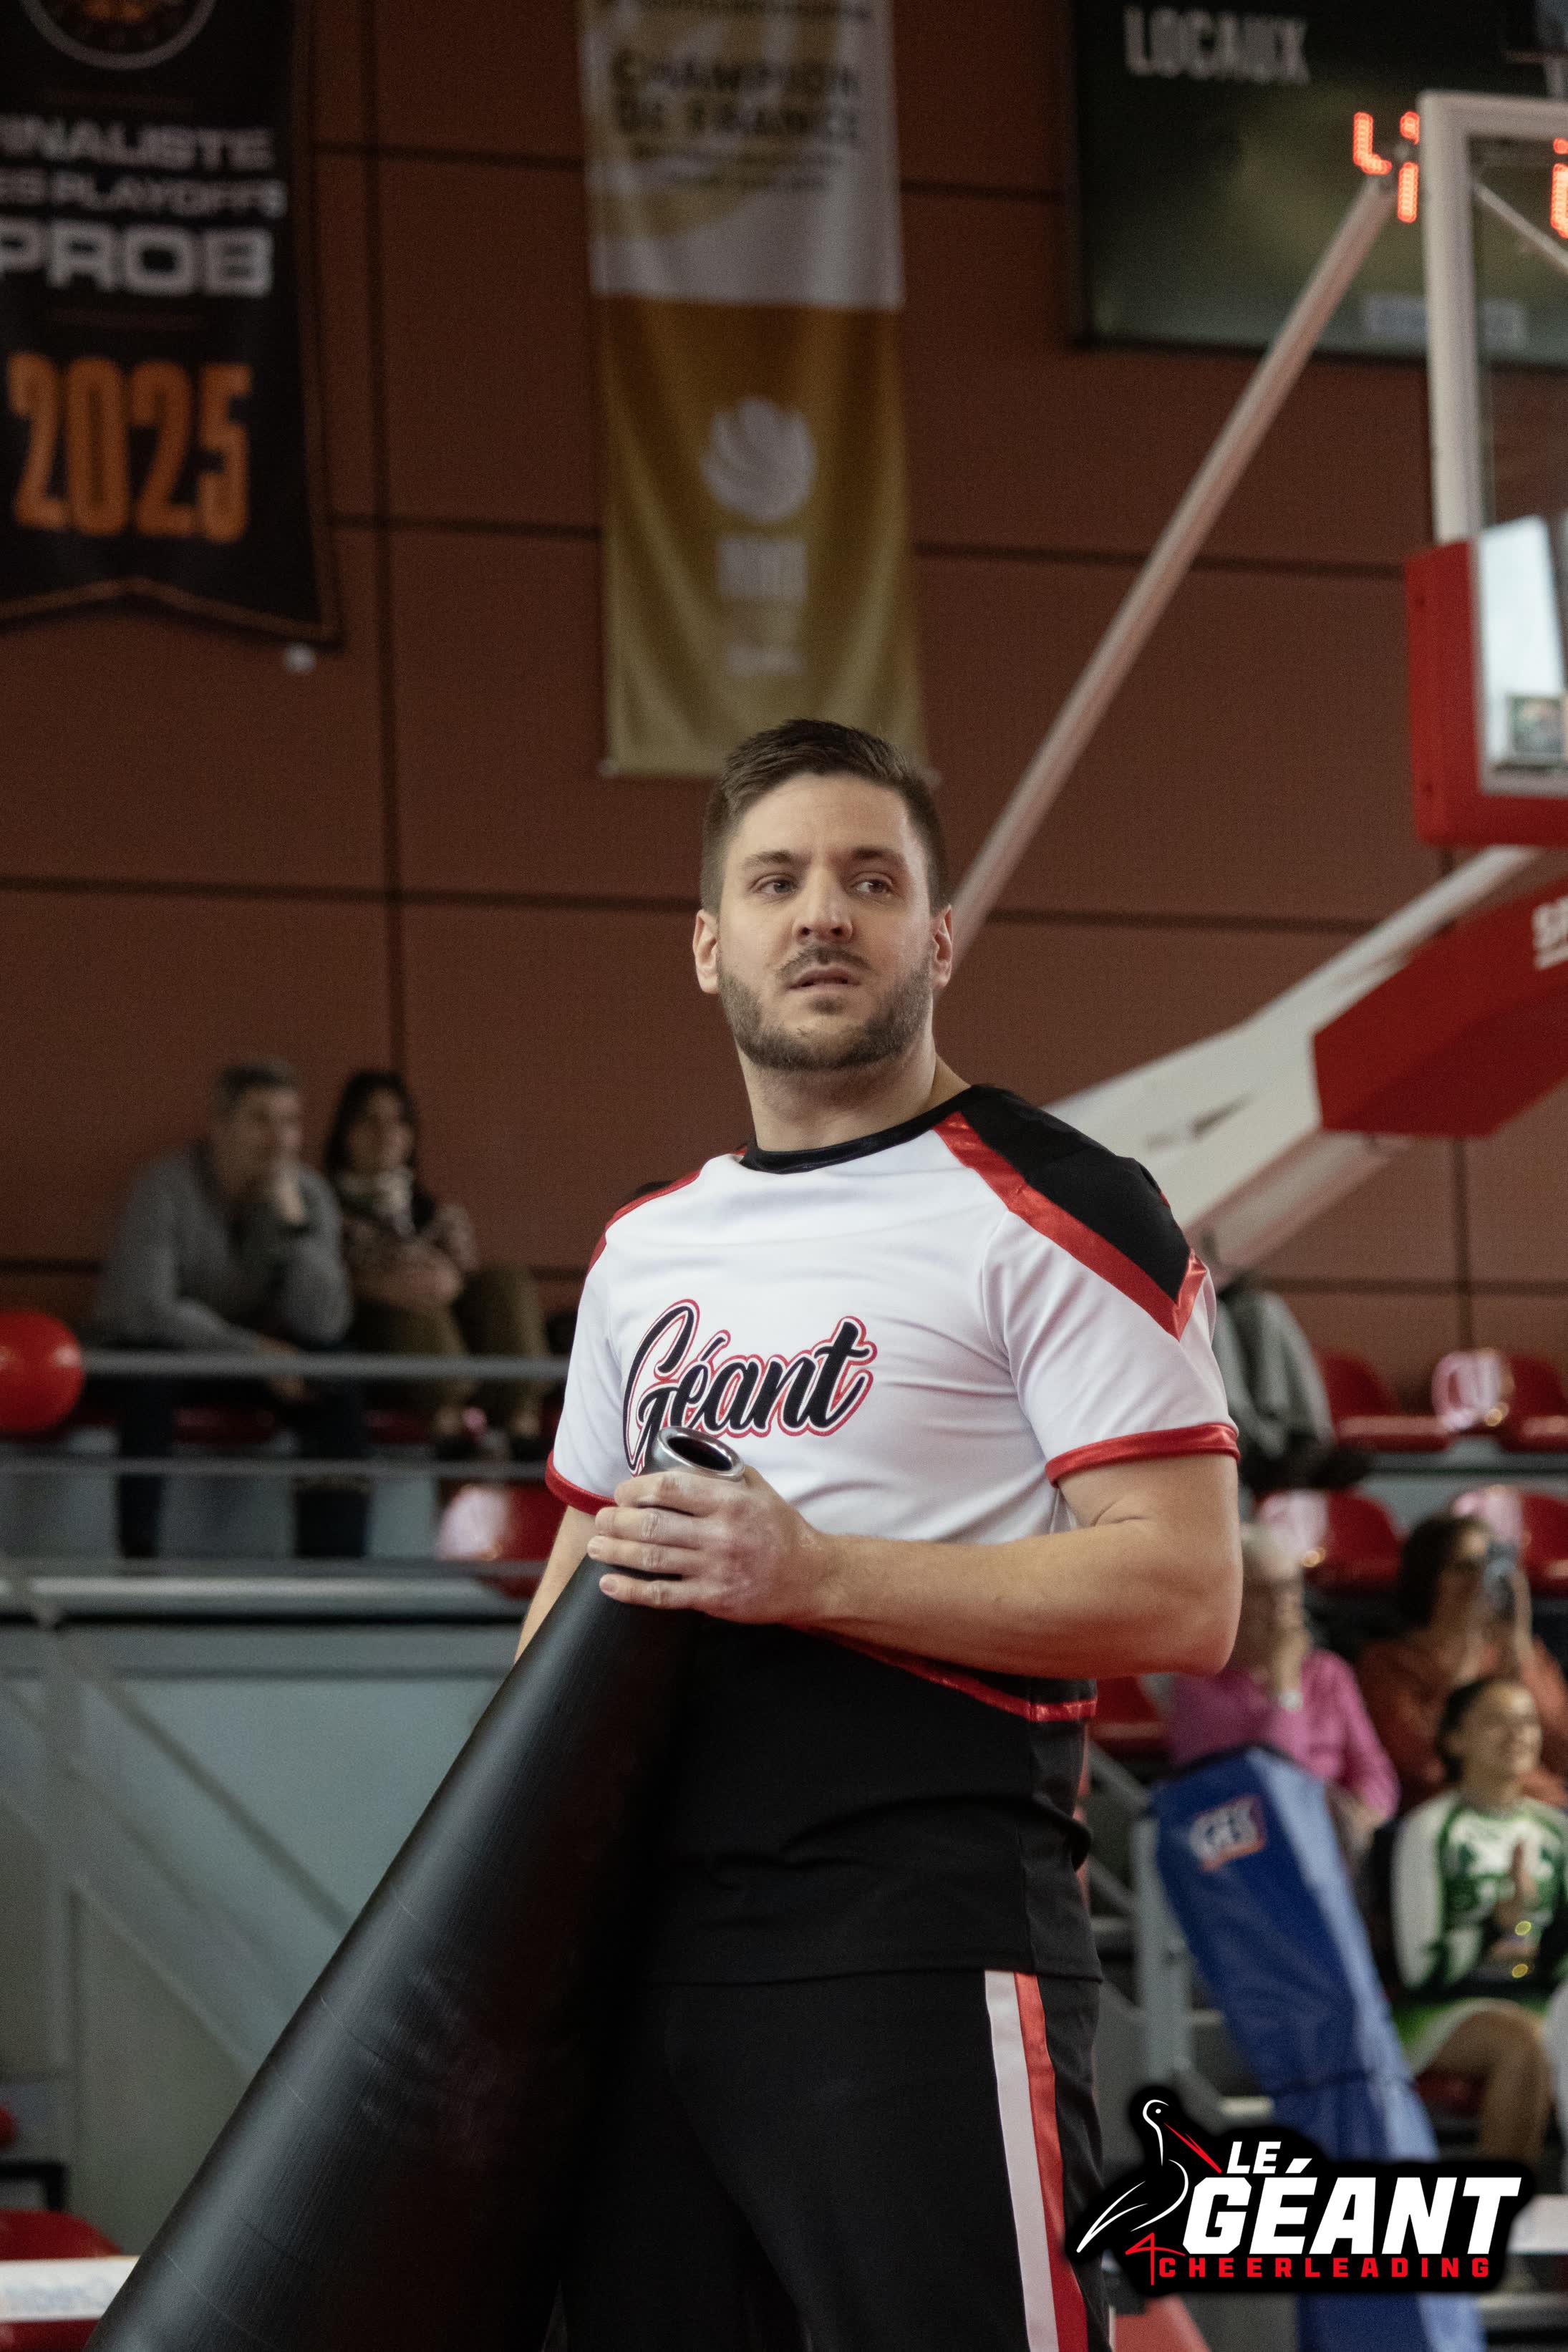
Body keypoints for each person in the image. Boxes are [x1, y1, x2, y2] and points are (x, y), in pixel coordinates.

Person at [518, 717, 1243, 2352]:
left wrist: (816, 1574)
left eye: (869, 879)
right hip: (651, 1964)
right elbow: (572, 1595)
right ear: (709, 945)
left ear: (939, 935)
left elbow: (1186, 1589)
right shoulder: (643, 1251)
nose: (821, 914)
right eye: (774, 882)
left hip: (917, 1938)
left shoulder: (1061, 1202)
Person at [92, 1060, 367, 1562]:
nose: (279, 1140)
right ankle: (138, 1560)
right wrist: (254, 1352)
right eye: (260, 1120)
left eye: (290, 1122)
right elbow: (149, 1308)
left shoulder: (307, 1195)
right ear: (220, 1126)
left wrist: (296, 1228)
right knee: (151, 1373)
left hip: (255, 1362)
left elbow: (325, 1322)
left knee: (334, 1370)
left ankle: (333, 1565)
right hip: (164, 1352)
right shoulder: (165, 1186)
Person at [321, 1069, 549, 1460]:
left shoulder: (435, 1213)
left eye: (397, 1122)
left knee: (505, 1282)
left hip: (447, 1321)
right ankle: (449, 1432)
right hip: (373, 1332)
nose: (385, 1134)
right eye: (370, 1121)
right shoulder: (322, 1206)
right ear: (346, 1132)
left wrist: (450, 1280)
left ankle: (520, 1427)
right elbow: (319, 1285)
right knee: (414, 1308)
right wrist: (382, 1285)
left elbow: (466, 1276)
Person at [1389, 1676, 1568, 2163]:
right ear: (1455, 1739)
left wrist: (1533, 1931)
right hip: (1441, 2008)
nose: (1517, 1734)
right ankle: (1501, 2200)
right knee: (1524, 2042)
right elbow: (1421, 1970)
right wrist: (1498, 1925)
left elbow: (1553, 1958)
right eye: (1496, 1721)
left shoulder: (1555, 1831)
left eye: (1527, 1721)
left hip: (1537, 1997)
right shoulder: (1430, 1829)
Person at [1167, 1523, 1397, 1859]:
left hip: (1337, 1845)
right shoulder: (1200, 1685)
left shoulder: (1328, 1673)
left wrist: (1363, 1813)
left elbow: (1375, 1769)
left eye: (1289, 1588)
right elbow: (1275, 1784)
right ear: (1229, 1598)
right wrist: (1285, 1684)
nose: (1281, 1603)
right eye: (1264, 1591)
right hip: (1254, 1852)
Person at [1358, 1513, 1568, 1810]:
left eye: (1489, 1568)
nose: (1480, 1581)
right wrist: (1466, 1656)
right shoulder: (1387, 1662)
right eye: (1464, 1568)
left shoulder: (1519, 1652)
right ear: (1429, 1577)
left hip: (1539, 1808)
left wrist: (1520, 1650)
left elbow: (1562, 1752)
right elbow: (1422, 1764)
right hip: (1455, 1811)